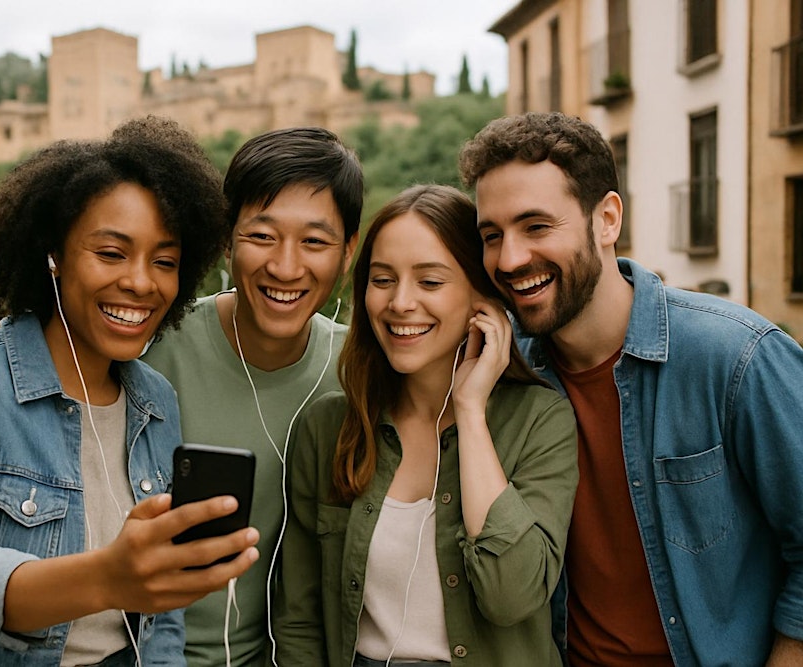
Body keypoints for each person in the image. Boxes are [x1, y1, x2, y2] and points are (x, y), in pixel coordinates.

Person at [0, 116, 261, 666]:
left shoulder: (155, 402)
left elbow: (160, 624)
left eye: (165, 261)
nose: (140, 282)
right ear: (54, 255)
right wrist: (107, 577)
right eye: (111, 253)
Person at [459, 111, 803, 666]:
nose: (510, 258)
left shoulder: (736, 357)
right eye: (491, 235)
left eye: (536, 226)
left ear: (607, 219)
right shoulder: (501, 374)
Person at [272, 185, 577, 666]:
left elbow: (511, 597)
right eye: (382, 279)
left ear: (483, 299)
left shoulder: (541, 421)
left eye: (430, 282)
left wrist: (471, 412)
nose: (400, 303)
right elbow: (299, 620)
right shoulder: (327, 427)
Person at [142, 126, 363, 666]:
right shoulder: (152, 351)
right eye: (262, 236)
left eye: (314, 241)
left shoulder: (360, 373)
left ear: (349, 252)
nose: (286, 267)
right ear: (226, 239)